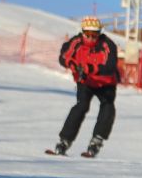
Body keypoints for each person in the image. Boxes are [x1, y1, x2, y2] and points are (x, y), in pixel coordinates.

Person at [48, 15, 120, 157]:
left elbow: (110, 65)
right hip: (85, 82)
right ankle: (65, 140)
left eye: (95, 35)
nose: (92, 38)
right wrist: (72, 64)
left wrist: (90, 69)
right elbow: (63, 57)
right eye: (88, 34)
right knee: (81, 106)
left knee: (108, 105)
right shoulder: (76, 42)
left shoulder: (107, 44)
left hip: (105, 82)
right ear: (82, 33)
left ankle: (97, 139)